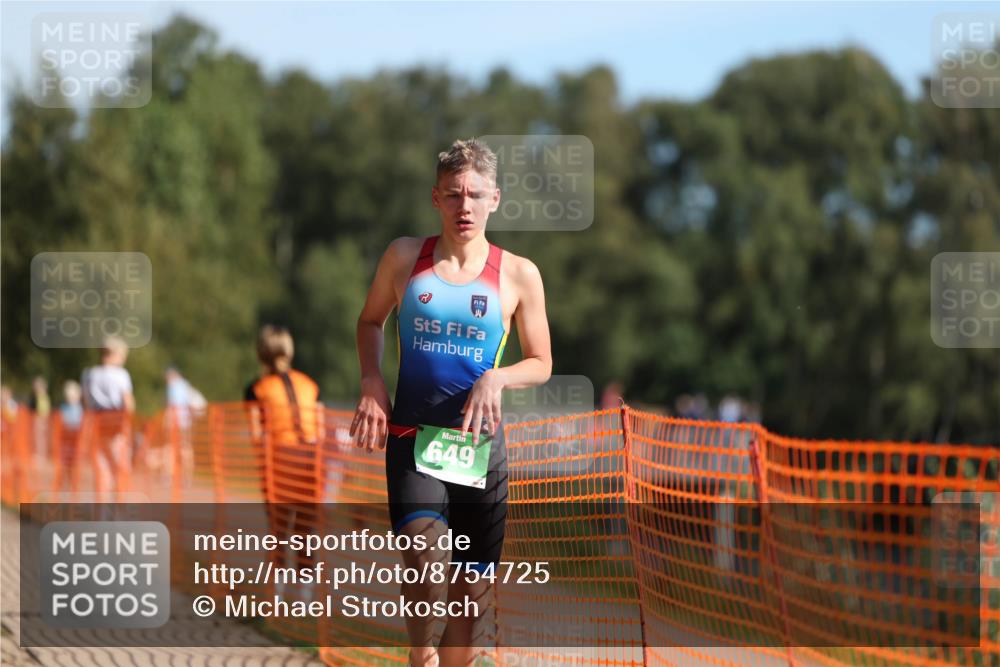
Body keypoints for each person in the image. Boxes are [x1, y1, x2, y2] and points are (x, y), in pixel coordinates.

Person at [352, 138, 552, 667]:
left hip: (479, 449)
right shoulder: (403, 258)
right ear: (435, 198)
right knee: (423, 559)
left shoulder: (518, 274)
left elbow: (541, 362)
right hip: (413, 438)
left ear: (495, 200)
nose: (465, 206)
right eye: (454, 194)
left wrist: (498, 380)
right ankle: (421, 656)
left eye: (475, 195)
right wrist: (372, 379)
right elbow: (370, 321)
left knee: (471, 600)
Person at [244, 325, 324, 593]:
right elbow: (321, 427)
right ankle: (305, 597)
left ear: (260, 354)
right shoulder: (309, 384)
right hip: (311, 459)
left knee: (279, 529)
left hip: (278, 459)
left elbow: (257, 435)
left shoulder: (257, 389)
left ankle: (276, 594)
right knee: (305, 529)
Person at [81, 336, 135, 497]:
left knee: (101, 467)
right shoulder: (121, 375)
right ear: (116, 354)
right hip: (117, 422)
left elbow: (85, 402)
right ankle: (119, 509)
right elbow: (128, 403)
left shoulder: (90, 374)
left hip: (97, 423)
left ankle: (103, 512)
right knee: (120, 466)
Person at [53, 380, 84, 491]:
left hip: (75, 441)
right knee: (64, 464)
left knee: (74, 465)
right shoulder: (63, 408)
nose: (70, 398)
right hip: (64, 441)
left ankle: (73, 483)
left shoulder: (80, 409)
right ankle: (64, 483)